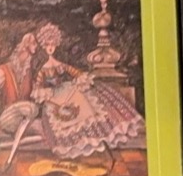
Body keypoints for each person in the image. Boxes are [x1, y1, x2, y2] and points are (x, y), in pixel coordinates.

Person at [27, 22, 144, 160]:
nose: (50, 48)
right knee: (60, 120)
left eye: (52, 44)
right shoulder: (43, 69)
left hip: (67, 90)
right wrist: (46, 94)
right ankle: (73, 147)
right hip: (54, 96)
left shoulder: (61, 65)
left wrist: (79, 80)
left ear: (56, 44)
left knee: (86, 107)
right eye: (47, 45)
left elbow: (76, 73)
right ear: (44, 46)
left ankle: (95, 141)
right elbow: (39, 87)